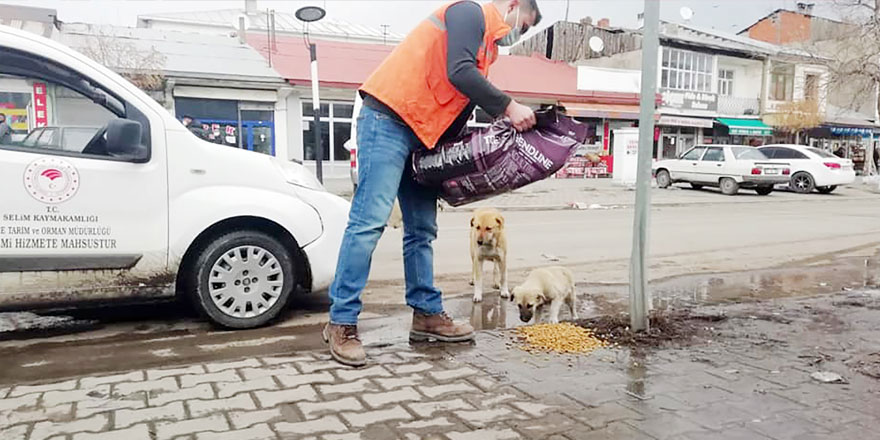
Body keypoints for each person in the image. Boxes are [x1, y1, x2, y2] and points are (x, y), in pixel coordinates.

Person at [323, 0, 542, 366]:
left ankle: (425, 314)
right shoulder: (468, 13)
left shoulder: (487, 49)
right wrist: (509, 106)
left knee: (422, 229)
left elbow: (462, 101)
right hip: (388, 119)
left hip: (425, 136)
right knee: (368, 222)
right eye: (524, 23)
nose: (520, 32)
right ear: (513, 5)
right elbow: (459, 72)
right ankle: (341, 323)